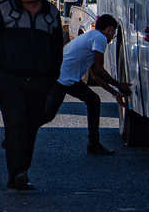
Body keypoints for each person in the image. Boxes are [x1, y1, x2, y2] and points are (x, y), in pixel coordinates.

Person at [0, 0, 62, 192]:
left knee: (31, 125)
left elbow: (57, 48)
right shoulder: (2, 10)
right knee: (15, 122)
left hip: (40, 81)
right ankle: (17, 173)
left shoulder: (52, 13)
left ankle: (21, 169)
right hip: (10, 80)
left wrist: (52, 76)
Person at [48, 15, 131, 155]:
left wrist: (115, 92)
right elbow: (99, 70)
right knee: (47, 114)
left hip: (67, 77)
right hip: (61, 77)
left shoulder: (91, 36)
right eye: (114, 34)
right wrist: (118, 84)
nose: (112, 39)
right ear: (110, 29)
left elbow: (95, 75)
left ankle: (94, 143)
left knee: (93, 100)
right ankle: (17, 135)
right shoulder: (100, 38)